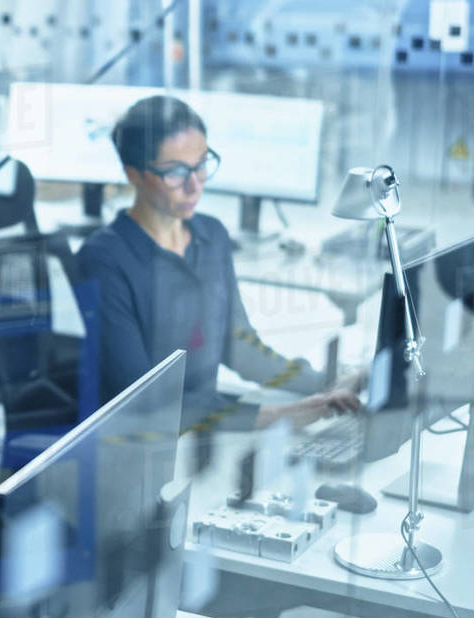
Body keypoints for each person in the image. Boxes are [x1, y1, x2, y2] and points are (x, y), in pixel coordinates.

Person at [78, 96, 360, 433]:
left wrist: (326, 383)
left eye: (201, 164)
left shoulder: (210, 236)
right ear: (133, 174)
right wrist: (277, 416)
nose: (195, 185)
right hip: (138, 447)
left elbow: (239, 346)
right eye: (175, 173)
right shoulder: (103, 261)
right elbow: (145, 400)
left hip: (206, 432)